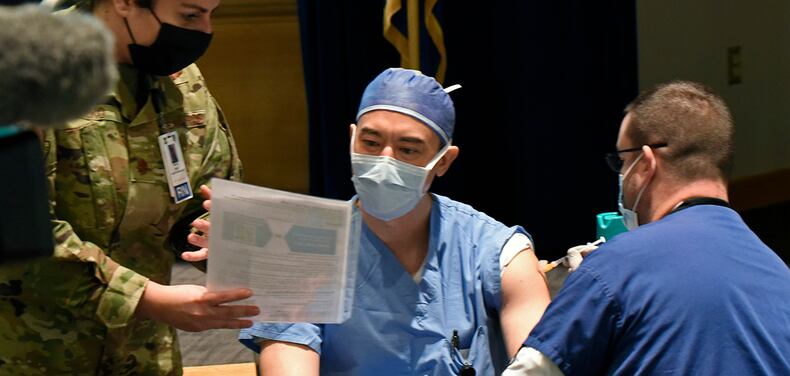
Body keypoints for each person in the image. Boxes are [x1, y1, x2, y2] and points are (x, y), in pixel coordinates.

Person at [0, 0, 260, 374]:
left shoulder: (178, 78)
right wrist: (147, 298)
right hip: (36, 352)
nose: (203, 32)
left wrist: (212, 230)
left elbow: (211, 186)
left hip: (143, 354)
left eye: (211, 14)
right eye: (190, 15)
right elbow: (19, 234)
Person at [187, 68, 551, 374]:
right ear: (351, 139)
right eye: (371, 142)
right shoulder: (301, 250)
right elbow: (288, 362)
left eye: (408, 150)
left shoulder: (497, 253)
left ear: (443, 161)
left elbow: (540, 364)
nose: (384, 161)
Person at [504, 81, 790, 375]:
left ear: (645, 164)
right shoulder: (779, 276)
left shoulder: (617, 266)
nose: (622, 174)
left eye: (622, 161)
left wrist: (576, 295)